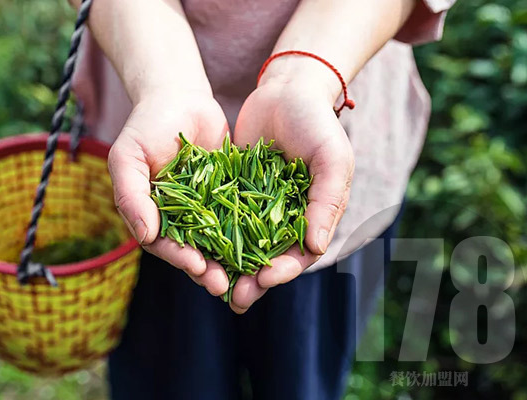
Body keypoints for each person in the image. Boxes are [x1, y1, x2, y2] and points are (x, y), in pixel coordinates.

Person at [68, 0, 455, 398]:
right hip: (154, 148)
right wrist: (165, 85)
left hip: (334, 119)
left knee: (301, 383)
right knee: (169, 378)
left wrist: (303, 78)